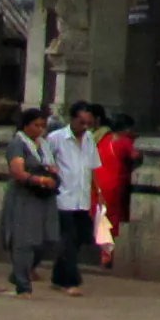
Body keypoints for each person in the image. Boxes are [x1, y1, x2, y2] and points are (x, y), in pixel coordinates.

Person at [0, 106, 60, 297]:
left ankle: (20, 273)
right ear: (26, 125)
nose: (39, 129)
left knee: (46, 239)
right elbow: (18, 171)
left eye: (43, 126)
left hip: (44, 198)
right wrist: (39, 179)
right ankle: (23, 284)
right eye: (36, 125)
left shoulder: (44, 145)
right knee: (23, 241)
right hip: (25, 197)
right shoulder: (19, 144)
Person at [43, 103, 101, 295]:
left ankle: (58, 276)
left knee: (78, 240)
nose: (85, 127)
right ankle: (71, 280)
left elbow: (92, 168)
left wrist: (98, 194)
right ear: (72, 119)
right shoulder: (56, 139)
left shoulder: (90, 139)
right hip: (63, 197)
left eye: (89, 123)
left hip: (81, 198)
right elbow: (45, 163)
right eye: (81, 122)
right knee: (68, 238)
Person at [92, 111, 140, 269]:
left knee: (102, 220)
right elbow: (136, 156)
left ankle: (104, 254)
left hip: (98, 183)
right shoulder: (124, 141)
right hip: (114, 184)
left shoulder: (103, 139)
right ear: (127, 129)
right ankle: (107, 256)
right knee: (112, 222)